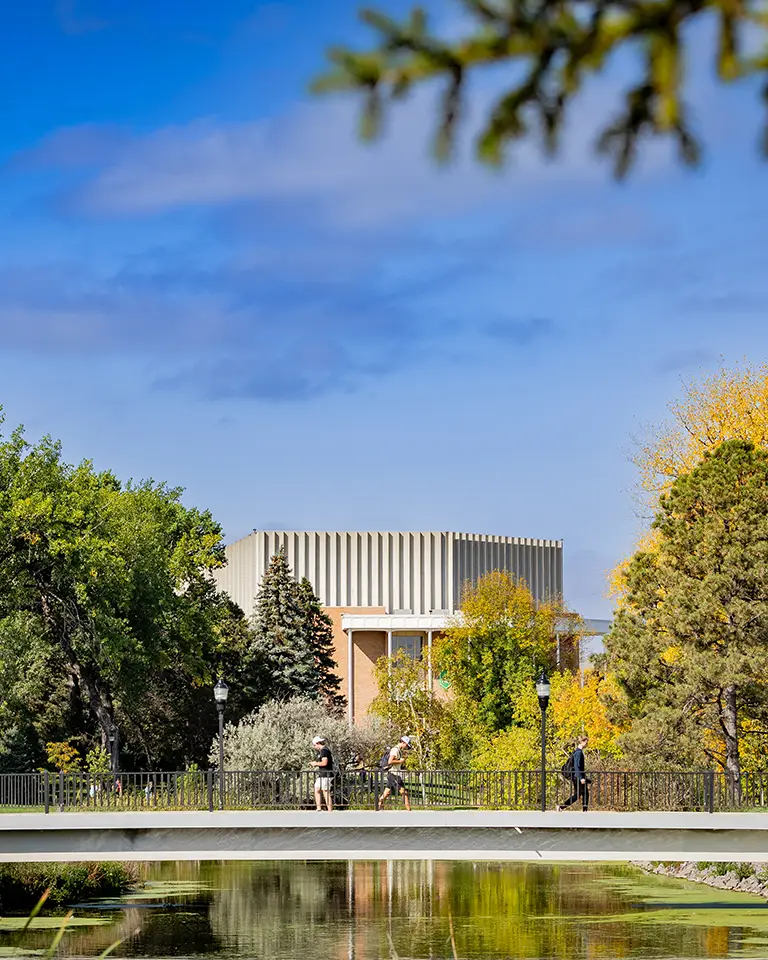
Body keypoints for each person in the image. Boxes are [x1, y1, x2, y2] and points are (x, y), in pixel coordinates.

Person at [377, 736, 412, 811]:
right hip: (394, 774)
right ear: (403, 742)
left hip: (393, 774)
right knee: (404, 793)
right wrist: (400, 761)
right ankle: (409, 812)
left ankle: (379, 805)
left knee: (387, 793)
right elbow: (390, 761)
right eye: (406, 745)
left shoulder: (398, 750)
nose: (406, 747)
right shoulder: (395, 750)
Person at [557, 735, 590, 812]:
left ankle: (562, 807)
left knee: (582, 794)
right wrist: (581, 778)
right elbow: (577, 766)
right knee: (581, 794)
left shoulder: (576, 752)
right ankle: (561, 807)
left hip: (576, 776)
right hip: (577, 777)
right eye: (586, 742)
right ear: (582, 742)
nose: (587, 744)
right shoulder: (578, 753)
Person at [310, 736, 334, 811]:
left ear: (318, 743)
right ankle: (319, 808)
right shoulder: (323, 751)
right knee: (317, 788)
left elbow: (324, 763)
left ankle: (330, 810)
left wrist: (315, 763)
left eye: (314, 745)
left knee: (325, 791)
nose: (314, 747)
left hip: (326, 775)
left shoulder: (324, 751)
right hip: (322, 774)